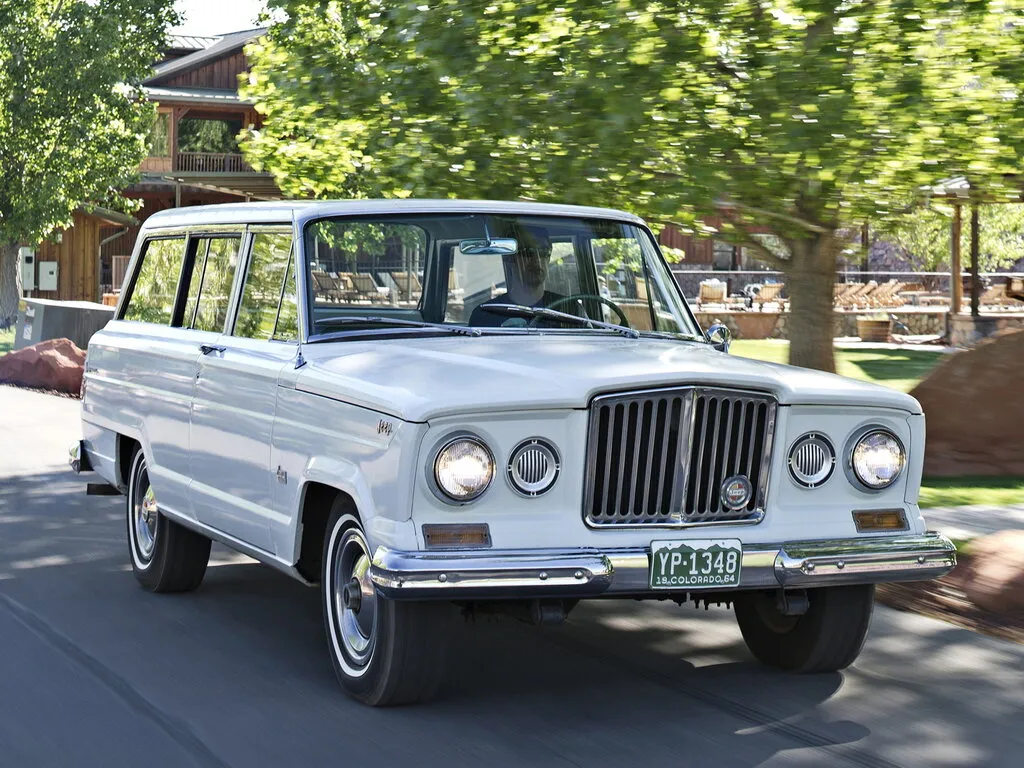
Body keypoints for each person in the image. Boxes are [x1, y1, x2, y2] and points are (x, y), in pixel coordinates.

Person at [469, 226, 565, 327]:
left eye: (544, 252)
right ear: (509, 258)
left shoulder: (569, 310)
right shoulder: (484, 315)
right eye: (528, 252)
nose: (537, 261)